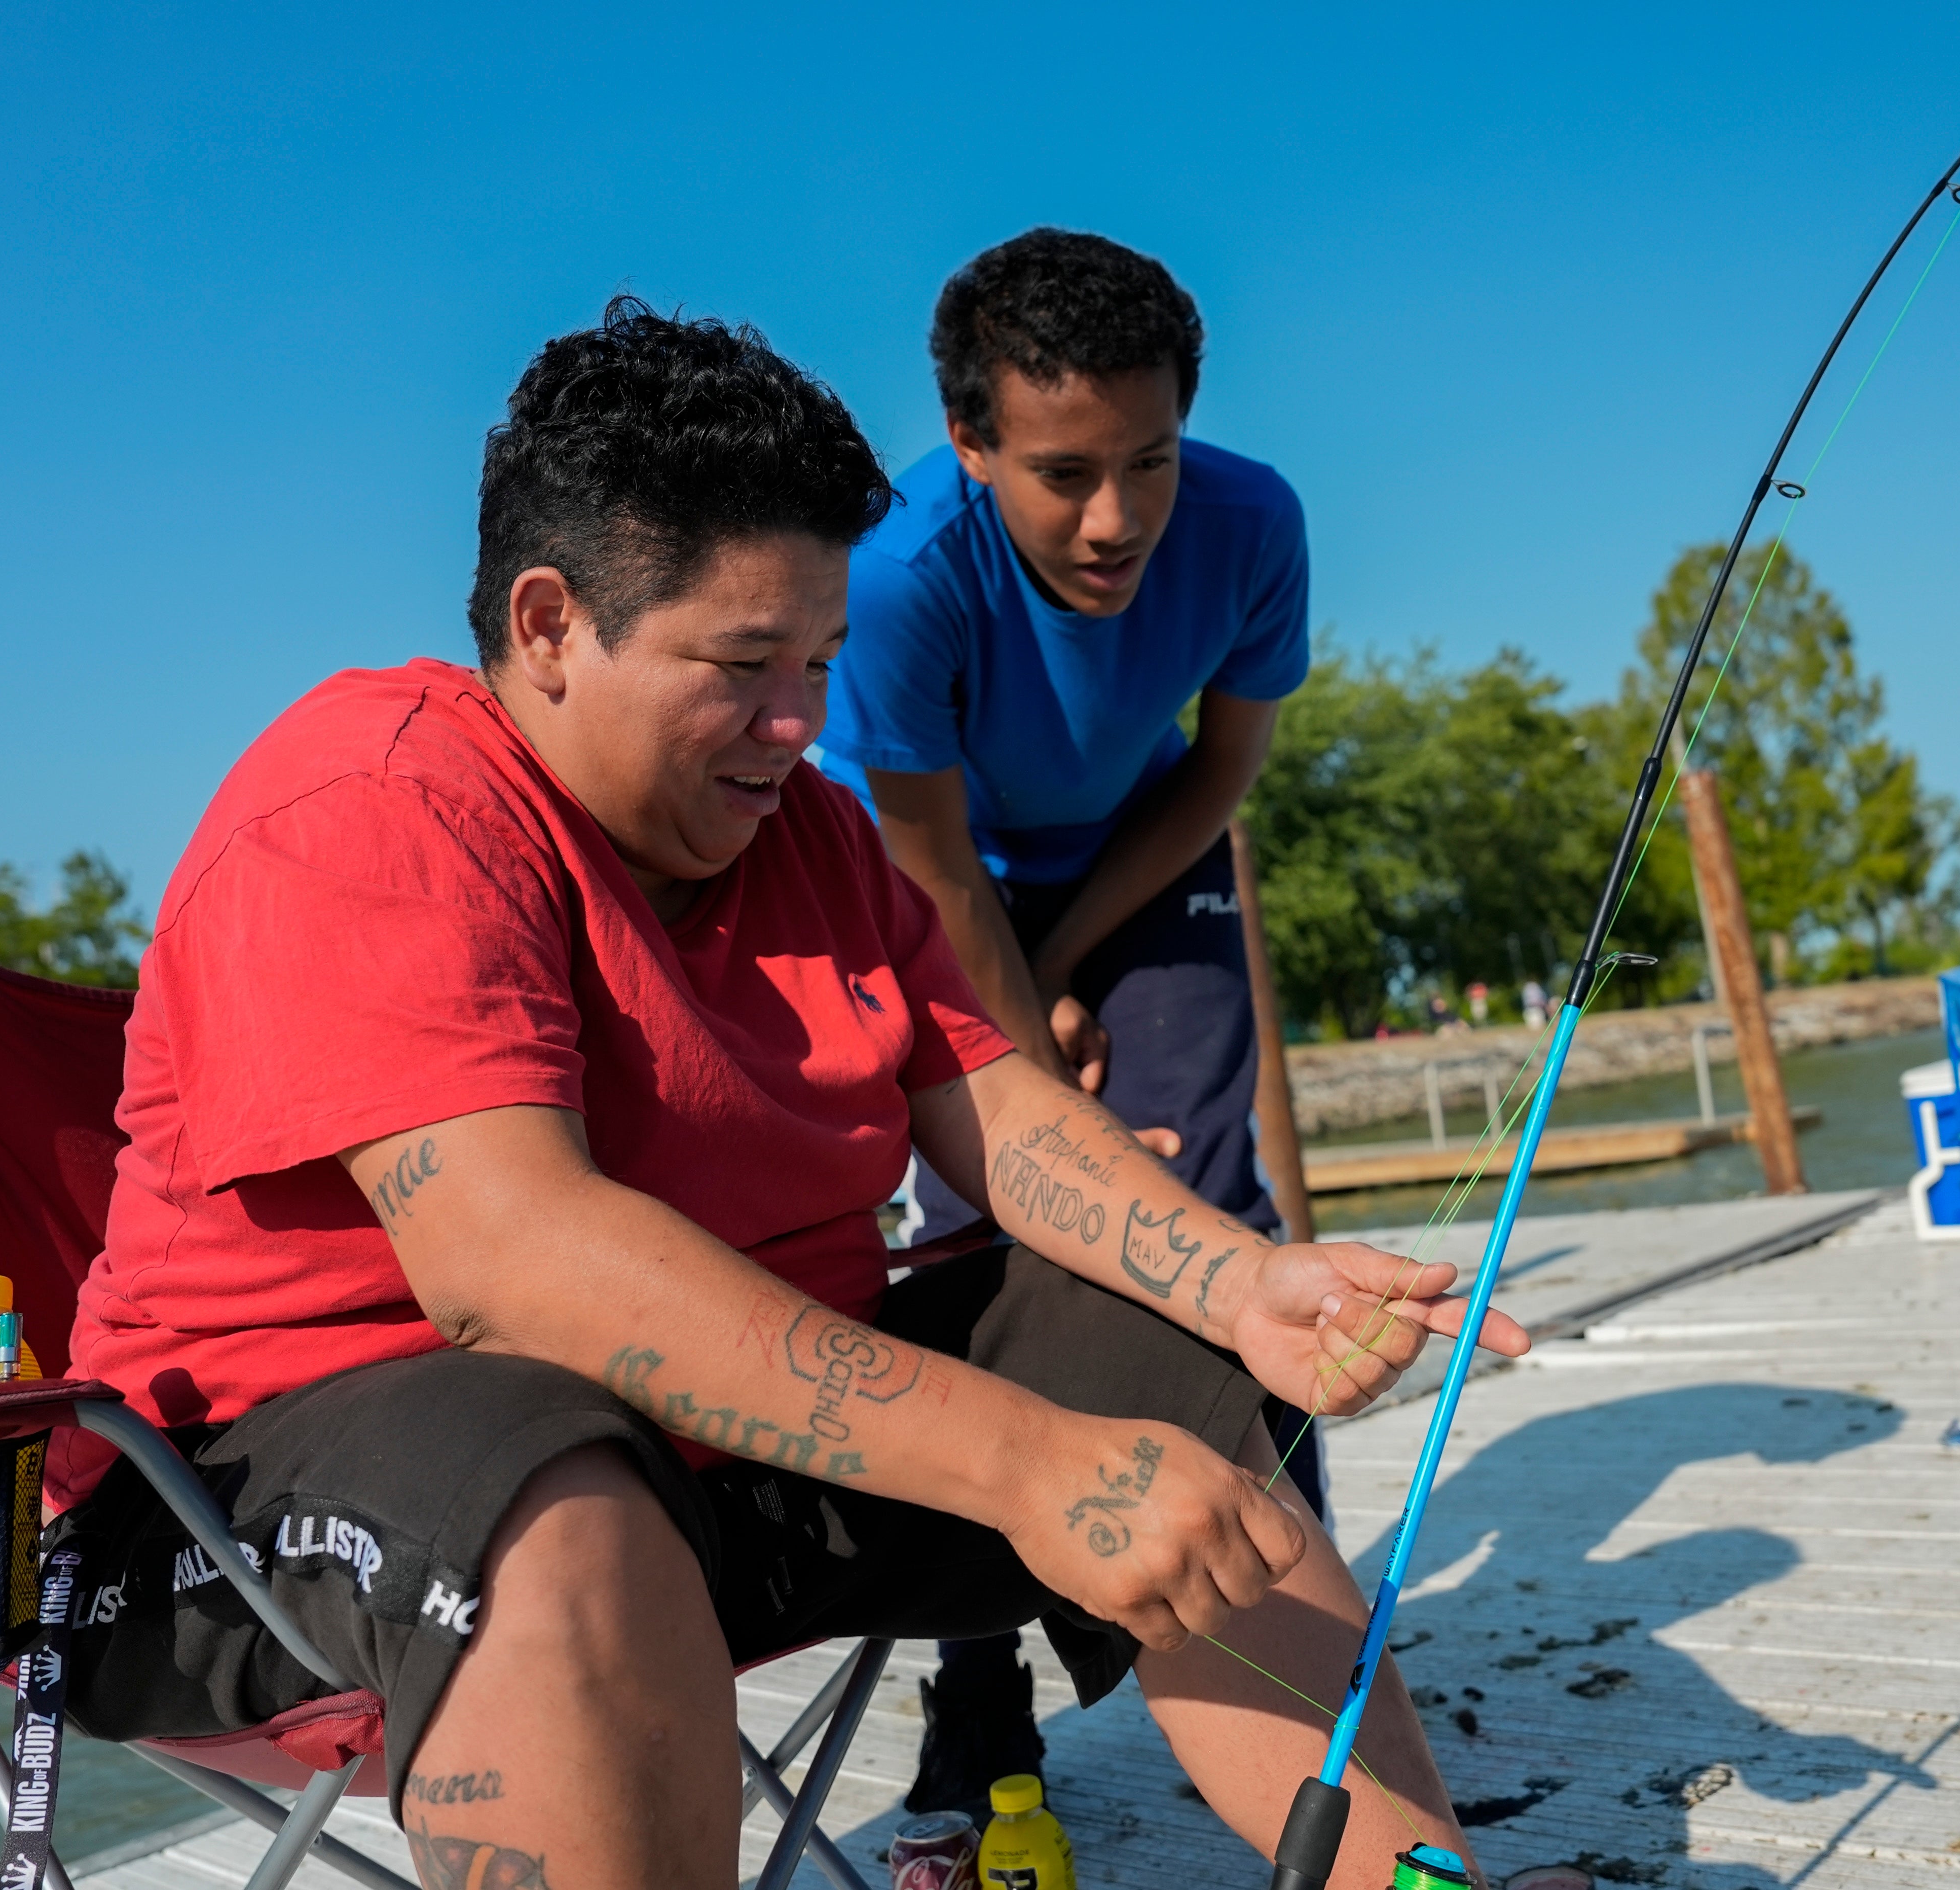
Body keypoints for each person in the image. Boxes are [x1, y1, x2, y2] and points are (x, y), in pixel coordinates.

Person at [43, 300, 1523, 1890]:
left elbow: (999, 1108)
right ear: (548, 625)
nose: (803, 724)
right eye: (745, 666)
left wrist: (1247, 1281)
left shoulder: (806, 833)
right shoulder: (373, 802)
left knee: (1153, 1354)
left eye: (819, 660)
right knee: (547, 1479)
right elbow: (513, 1263)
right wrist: (1027, 1463)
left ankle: (1414, 1881)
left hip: (710, 1471)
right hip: (244, 1517)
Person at [817, 229, 1325, 1812]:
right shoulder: (898, 569)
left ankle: (1307, 1652)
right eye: (1060, 473)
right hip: (930, 882)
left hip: (1134, 859)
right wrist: (1047, 1095)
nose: (1115, 521)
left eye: (1149, 460)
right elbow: (928, 868)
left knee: (1216, 1229)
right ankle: (979, 1682)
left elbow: (1218, 776)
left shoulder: (1252, 524)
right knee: (1003, 1239)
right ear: (971, 446)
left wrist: (1077, 952)